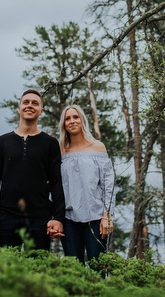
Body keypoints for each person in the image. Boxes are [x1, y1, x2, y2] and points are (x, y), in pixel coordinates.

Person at [0, 89, 65, 250]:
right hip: (7, 218)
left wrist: (58, 218)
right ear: (19, 108)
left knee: (37, 271)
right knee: (5, 270)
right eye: (26, 102)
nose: (30, 105)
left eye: (35, 103)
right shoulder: (1, 142)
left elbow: (56, 182)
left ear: (41, 111)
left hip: (40, 219)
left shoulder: (50, 144)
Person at [58, 104, 115, 271]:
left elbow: (108, 185)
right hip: (69, 220)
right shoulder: (60, 151)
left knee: (98, 270)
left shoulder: (98, 147)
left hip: (96, 218)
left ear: (82, 120)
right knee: (74, 272)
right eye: (67, 118)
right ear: (63, 124)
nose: (72, 121)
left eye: (75, 117)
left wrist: (107, 216)